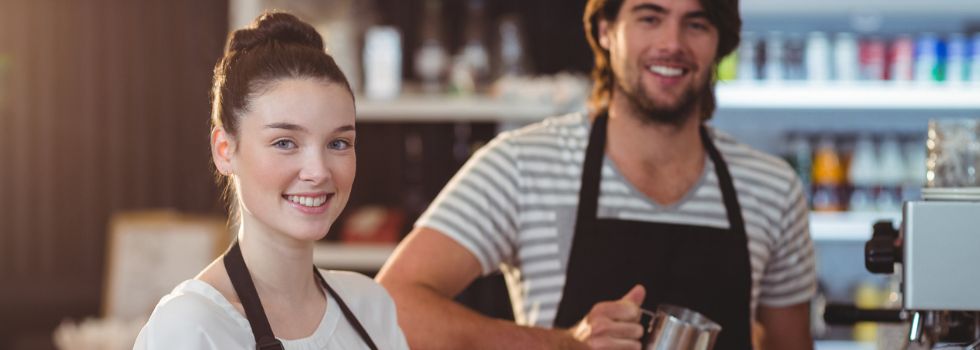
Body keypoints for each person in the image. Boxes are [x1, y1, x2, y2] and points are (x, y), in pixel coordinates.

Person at [377, 0, 815, 348]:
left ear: (720, 43)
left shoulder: (771, 188)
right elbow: (394, 302)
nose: (672, 42)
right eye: (650, 17)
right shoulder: (523, 164)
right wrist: (562, 344)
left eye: (696, 23)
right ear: (606, 30)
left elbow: (788, 343)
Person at [134, 12, 408, 350]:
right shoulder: (192, 326)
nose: (319, 171)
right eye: (285, 143)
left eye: (338, 143)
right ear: (224, 150)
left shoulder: (369, 306)